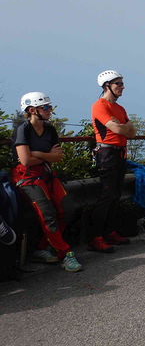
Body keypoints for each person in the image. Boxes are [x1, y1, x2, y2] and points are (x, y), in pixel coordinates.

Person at [11, 92, 82, 272]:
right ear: (32, 110)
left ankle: (42, 248)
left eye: (49, 106)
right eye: (46, 107)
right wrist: (45, 156)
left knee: (67, 209)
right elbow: (25, 162)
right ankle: (65, 254)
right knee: (47, 214)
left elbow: (57, 157)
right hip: (27, 178)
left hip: (46, 174)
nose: (50, 110)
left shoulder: (49, 129)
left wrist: (38, 155)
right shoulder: (23, 130)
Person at [89, 70, 135, 253]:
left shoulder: (120, 109)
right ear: (107, 86)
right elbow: (118, 128)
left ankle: (109, 232)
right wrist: (123, 127)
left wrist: (123, 127)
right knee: (106, 196)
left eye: (122, 83)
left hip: (119, 153)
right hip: (106, 154)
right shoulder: (99, 105)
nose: (122, 87)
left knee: (115, 195)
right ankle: (95, 237)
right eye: (118, 84)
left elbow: (131, 132)